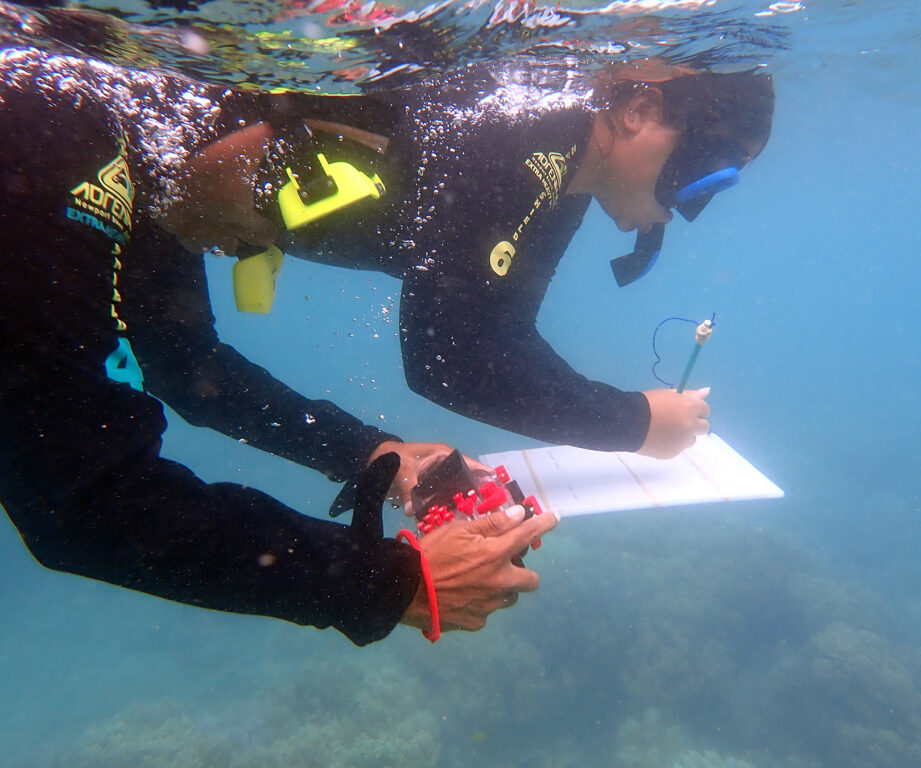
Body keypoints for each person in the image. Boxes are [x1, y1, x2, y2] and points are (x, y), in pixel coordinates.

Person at [0, 46, 556, 646]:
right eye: (299, 189)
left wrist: (373, 453)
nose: (261, 239)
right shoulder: (49, 128)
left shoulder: (142, 168)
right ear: (265, 115)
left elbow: (187, 364)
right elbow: (81, 496)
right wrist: (381, 582)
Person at [158, 60, 775, 460]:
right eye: (704, 174)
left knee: (183, 367)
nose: (687, 208)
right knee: (173, 367)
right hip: (143, 162)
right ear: (637, 112)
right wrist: (629, 423)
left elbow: (502, 331)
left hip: (176, 202)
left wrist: (631, 417)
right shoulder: (526, 136)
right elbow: (446, 361)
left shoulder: (565, 174)